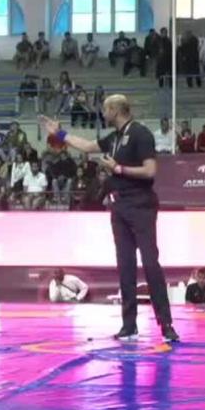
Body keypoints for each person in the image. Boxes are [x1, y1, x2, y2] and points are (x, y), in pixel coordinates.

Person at [41, 96, 179, 343]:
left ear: (115, 109)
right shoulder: (114, 137)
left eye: (105, 108)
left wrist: (119, 169)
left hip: (141, 204)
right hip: (119, 206)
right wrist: (60, 134)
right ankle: (129, 325)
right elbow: (86, 146)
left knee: (150, 263)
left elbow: (150, 170)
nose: (102, 112)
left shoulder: (140, 134)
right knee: (125, 266)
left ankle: (166, 323)